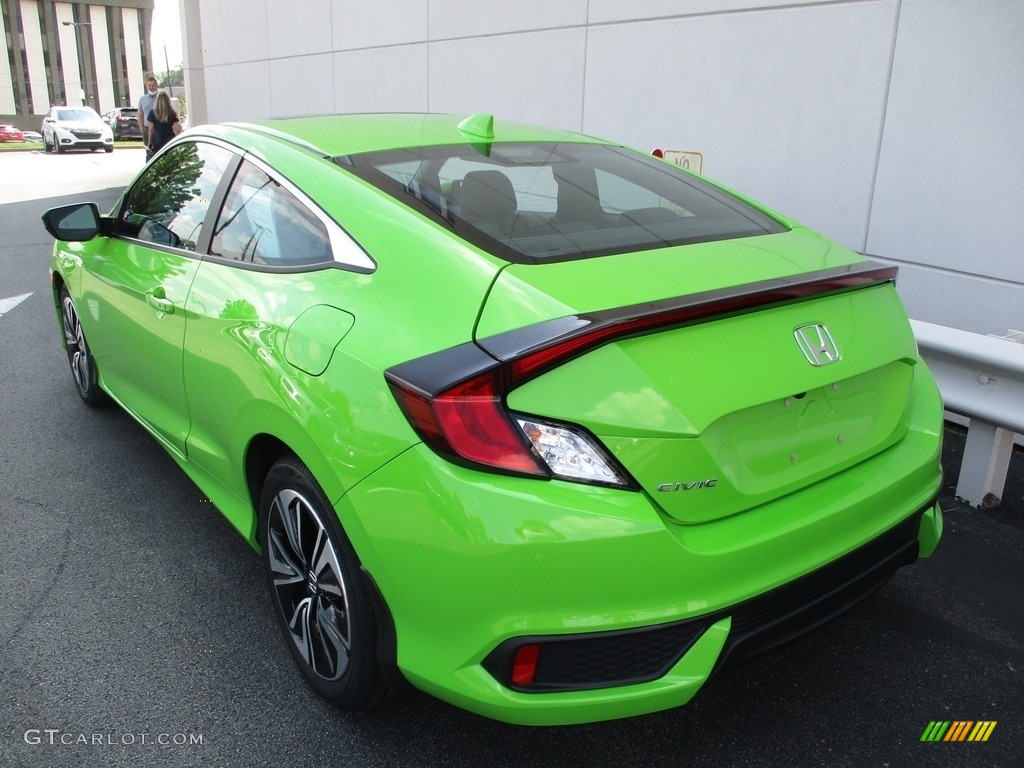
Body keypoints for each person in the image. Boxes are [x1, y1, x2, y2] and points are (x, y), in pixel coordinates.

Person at [147, 92, 182, 156]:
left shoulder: (152, 113)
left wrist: (149, 141)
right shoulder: (172, 113)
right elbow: (177, 129)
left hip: (158, 140)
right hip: (170, 141)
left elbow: (151, 129)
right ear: (167, 101)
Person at [137, 75, 158, 158]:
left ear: (156, 86)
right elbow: (140, 115)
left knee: (159, 151)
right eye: (149, 86)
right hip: (147, 128)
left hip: (158, 129)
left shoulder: (161, 98)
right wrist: (142, 130)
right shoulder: (142, 99)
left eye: (153, 85)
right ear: (147, 86)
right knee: (149, 152)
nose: (151, 87)